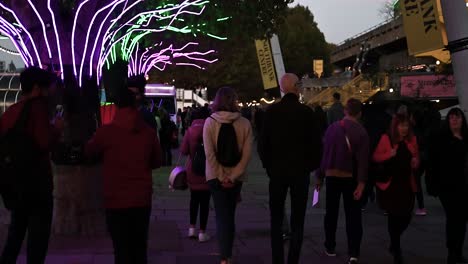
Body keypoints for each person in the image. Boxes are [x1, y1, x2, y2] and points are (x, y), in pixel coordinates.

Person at [85, 86, 162, 264]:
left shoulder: (106, 133)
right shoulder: (148, 133)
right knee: (139, 247)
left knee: (121, 249)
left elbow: (89, 151)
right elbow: (157, 161)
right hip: (141, 198)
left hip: (115, 199)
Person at [0, 67, 63, 264]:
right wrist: (56, 129)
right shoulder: (37, 108)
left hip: (15, 183)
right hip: (37, 184)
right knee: (37, 239)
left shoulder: (10, 112)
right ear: (37, 88)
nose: (50, 91)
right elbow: (44, 141)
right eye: (47, 87)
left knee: (16, 233)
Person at [258, 73, 323, 264]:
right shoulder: (306, 113)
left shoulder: (271, 112)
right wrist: (310, 167)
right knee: (298, 219)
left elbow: (263, 145)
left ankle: (277, 258)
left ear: (283, 88)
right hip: (299, 172)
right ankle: (293, 258)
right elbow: (316, 145)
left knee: (276, 218)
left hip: (277, 172)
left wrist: (269, 167)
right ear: (295, 87)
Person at [203, 87, 253, 264]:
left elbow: (209, 154)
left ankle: (225, 255)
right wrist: (232, 176)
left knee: (221, 215)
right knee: (229, 215)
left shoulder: (209, 122)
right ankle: (227, 252)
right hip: (236, 178)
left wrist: (220, 175)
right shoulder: (245, 123)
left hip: (215, 178)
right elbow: (247, 156)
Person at [317, 98, 369, 264]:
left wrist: (319, 175)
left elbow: (324, 154)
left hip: (332, 175)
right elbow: (363, 160)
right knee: (353, 215)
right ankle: (353, 251)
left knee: (331, 213)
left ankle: (330, 246)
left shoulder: (332, 128)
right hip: (350, 178)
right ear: (360, 113)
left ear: (345, 111)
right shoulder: (361, 132)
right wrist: (361, 183)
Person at [373, 114, 419, 264]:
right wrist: (388, 154)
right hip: (391, 186)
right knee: (393, 218)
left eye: (406, 125)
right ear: (395, 126)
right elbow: (376, 157)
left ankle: (394, 241)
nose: (404, 128)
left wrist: (415, 161)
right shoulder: (386, 138)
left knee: (406, 216)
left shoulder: (412, 140)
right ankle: (397, 250)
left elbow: (417, 159)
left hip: (406, 185)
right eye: (401, 125)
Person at [427, 108, 468, 264]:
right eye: (451, 118)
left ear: (462, 120)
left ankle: (457, 251)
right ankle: (452, 252)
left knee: (462, 219)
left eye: (457, 117)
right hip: (448, 187)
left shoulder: (466, 138)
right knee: (453, 219)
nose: (454, 120)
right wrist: (433, 184)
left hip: (464, 186)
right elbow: (433, 163)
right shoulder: (441, 139)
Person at [180, 109, 212, 243]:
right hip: (208, 171)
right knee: (205, 203)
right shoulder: (210, 129)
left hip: (192, 170)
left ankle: (191, 228)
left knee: (194, 200)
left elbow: (184, 150)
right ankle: (202, 232)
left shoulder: (190, 130)